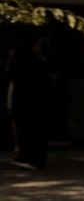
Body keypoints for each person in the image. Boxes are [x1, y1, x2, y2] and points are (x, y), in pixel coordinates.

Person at [7, 35, 56, 170]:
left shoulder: (16, 60)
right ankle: (35, 159)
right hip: (37, 102)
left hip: (22, 101)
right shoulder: (38, 61)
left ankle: (26, 156)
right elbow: (48, 80)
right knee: (37, 130)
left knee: (25, 129)